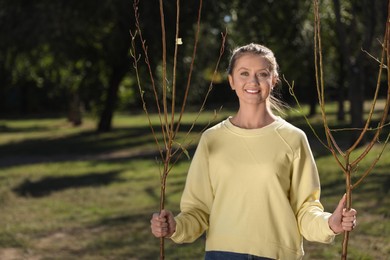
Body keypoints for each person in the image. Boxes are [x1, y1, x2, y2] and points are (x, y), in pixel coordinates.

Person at [150, 43, 357, 260]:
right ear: (231, 80)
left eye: (262, 74)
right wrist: (175, 227)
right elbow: (198, 210)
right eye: (244, 73)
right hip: (222, 255)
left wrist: (329, 224)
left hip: (278, 255)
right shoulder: (212, 139)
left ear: (273, 80)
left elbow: (305, 210)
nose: (253, 81)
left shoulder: (293, 139)